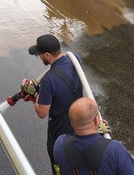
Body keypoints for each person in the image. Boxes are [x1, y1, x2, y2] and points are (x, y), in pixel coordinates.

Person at [28, 34, 84, 175]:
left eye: (39, 55)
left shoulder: (49, 79)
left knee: (58, 162)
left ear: (47, 55)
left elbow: (42, 112)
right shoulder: (74, 58)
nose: (39, 58)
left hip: (60, 130)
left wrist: (36, 94)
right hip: (79, 121)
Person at [53, 97, 134, 175]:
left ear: (72, 123)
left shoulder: (59, 145)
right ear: (96, 120)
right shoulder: (114, 149)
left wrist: (96, 131)